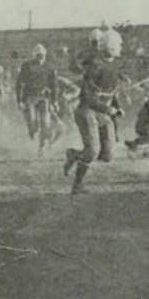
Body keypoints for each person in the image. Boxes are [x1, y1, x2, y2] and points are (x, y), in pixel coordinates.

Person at [63, 29, 124, 194]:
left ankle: (75, 155)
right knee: (92, 151)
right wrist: (107, 109)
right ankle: (77, 185)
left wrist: (117, 107)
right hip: (87, 111)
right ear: (110, 46)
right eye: (117, 44)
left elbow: (111, 92)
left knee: (108, 155)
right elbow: (88, 97)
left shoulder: (114, 66)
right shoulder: (95, 65)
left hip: (102, 113)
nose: (120, 47)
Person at [15, 43, 59, 156]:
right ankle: (31, 133)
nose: (40, 58)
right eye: (38, 55)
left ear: (45, 55)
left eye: (42, 55)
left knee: (45, 122)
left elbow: (54, 85)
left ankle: (42, 147)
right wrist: (19, 100)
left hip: (43, 98)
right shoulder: (27, 66)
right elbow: (19, 83)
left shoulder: (49, 67)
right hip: (30, 97)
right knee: (33, 122)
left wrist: (54, 101)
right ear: (34, 56)